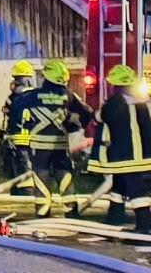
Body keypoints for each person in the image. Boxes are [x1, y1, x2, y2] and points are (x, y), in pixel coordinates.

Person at [89, 64, 151, 227]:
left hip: (126, 155)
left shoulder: (116, 101)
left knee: (135, 188)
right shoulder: (147, 98)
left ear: (116, 84)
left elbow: (101, 117)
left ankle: (145, 225)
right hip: (148, 153)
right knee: (119, 183)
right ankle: (115, 216)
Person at [7, 59, 93, 201]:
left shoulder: (32, 96)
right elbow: (87, 113)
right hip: (60, 145)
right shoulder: (68, 96)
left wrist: (20, 127)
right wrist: (74, 126)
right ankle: (71, 210)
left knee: (41, 177)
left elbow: (15, 107)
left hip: (40, 147)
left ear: (46, 77)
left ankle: (43, 213)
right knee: (64, 174)